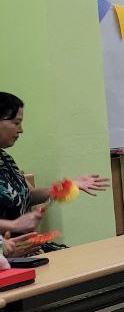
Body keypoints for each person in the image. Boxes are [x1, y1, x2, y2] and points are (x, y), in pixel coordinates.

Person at [0, 91, 110, 252]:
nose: (21, 130)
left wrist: (65, 187)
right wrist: (13, 227)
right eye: (16, 123)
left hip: (26, 247)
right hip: (8, 253)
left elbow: (29, 195)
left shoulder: (5, 159)